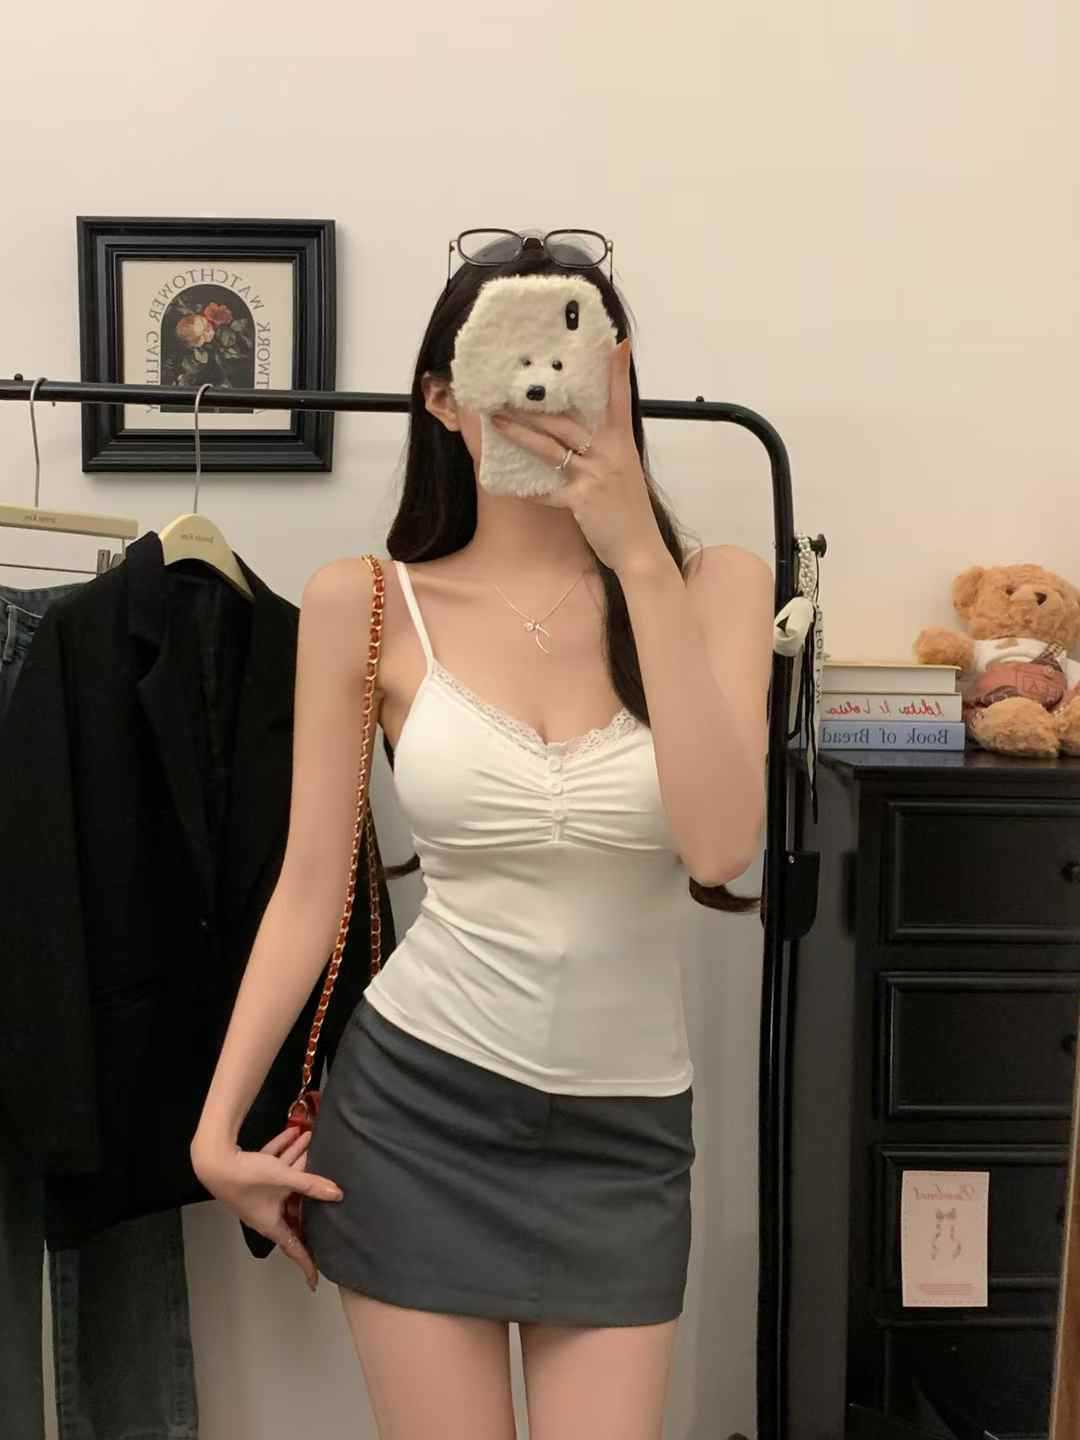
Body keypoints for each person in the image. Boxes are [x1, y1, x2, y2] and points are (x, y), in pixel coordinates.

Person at [191, 230, 774, 1440]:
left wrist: (635, 553)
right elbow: (310, 885)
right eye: (508, 364)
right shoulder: (366, 603)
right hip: (415, 1115)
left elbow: (720, 847)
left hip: (625, 1142)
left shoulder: (715, 585)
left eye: (579, 362)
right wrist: (214, 1131)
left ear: (622, 381)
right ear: (445, 400)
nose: (544, 393)